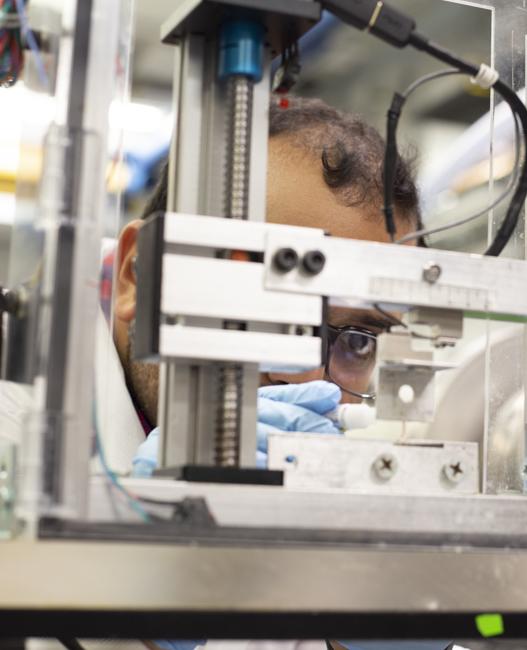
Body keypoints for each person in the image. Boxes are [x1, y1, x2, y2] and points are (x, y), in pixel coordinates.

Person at [105, 95, 422, 475]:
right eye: (265, 309)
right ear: (136, 276)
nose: (302, 378)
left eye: (357, 341)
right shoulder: (19, 422)